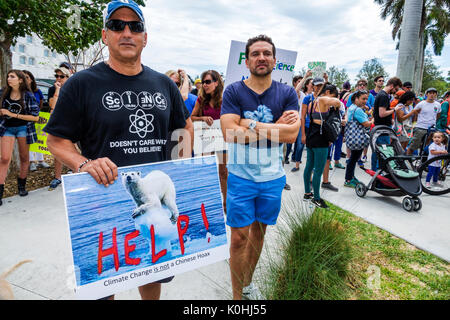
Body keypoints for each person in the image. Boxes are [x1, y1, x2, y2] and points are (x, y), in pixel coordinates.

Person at [44, 0, 193, 300]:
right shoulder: (81, 84)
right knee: (105, 280)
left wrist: (181, 165)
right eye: (117, 25)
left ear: (145, 38)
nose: (127, 32)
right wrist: (84, 163)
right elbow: (56, 140)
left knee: (153, 268)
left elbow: (184, 127)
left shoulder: (164, 84)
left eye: (135, 26)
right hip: (102, 197)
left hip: (154, 194)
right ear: (105, 34)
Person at [220, 34, 300, 300]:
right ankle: (236, 298)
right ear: (247, 60)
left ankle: (247, 284)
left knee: (258, 234)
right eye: (255, 53)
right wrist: (275, 126)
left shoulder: (287, 92)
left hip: (272, 177)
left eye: (266, 53)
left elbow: (291, 136)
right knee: (238, 239)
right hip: (241, 177)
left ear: (275, 60)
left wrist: (251, 124)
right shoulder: (233, 91)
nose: (261, 58)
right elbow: (229, 134)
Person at [0, 70, 40, 205]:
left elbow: (35, 117)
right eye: (8, 76)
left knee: (24, 158)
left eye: (12, 77)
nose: (9, 79)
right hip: (7, 128)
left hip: (24, 129)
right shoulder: (3, 93)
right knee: (5, 158)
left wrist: (13, 114)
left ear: (20, 80)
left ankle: (22, 186)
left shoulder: (28, 95)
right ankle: (0, 192)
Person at [190, 69, 228, 210]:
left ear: (216, 83)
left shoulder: (225, 99)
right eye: (203, 82)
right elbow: (192, 117)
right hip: (206, 138)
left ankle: (225, 201)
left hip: (223, 138)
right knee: (209, 170)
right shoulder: (201, 99)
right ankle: (211, 201)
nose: (204, 85)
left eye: (207, 82)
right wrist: (203, 118)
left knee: (223, 171)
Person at [302, 83, 341, 208]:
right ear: (328, 92)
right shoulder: (324, 99)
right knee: (318, 170)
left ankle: (307, 193)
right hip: (320, 138)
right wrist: (336, 102)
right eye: (333, 94)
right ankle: (317, 198)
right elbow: (337, 102)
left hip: (311, 135)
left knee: (309, 166)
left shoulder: (312, 102)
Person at [47, 66, 71, 190]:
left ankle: (77, 173)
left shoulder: (74, 88)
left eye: (62, 76)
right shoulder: (53, 89)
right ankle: (57, 177)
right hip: (60, 123)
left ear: (68, 77)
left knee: (79, 150)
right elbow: (52, 106)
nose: (59, 78)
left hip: (74, 121)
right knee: (59, 152)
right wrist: (57, 90)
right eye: (56, 76)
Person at [371, 77, 403, 170]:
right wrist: (394, 110)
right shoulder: (384, 96)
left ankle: (376, 171)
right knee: (383, 151)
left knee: (377, 151)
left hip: (381, 127)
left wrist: (390, 118)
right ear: (392, 86)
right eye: (396, 89)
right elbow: (382, 113)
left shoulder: (383, 94)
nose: (396, 92)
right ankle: (378, 172)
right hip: (382, 129)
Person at [22, 69, 51, 171]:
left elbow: (41, 103)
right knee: (29, 141)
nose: (25, 79)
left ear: (31, 79)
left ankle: (40, 160)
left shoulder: (37, 91)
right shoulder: (20, 92)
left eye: (27, 77)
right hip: (25, 119)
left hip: (38, 118)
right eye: (23, 77)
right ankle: (31, 162)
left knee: (39, 139)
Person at [344, 90, 373, 188]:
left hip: (352, 137)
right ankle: (348, 179)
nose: (365, 101)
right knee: (353, 159)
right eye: (363, 99)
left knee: (353, 158)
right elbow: (366, 123)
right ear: (356, 99)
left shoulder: (352, 107)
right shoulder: (358, 110)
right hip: (358, 138)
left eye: (366, 99)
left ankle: (350, 177)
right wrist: (373, 119)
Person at [406, 88, 441, 156]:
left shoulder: (438, 104)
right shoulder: (421, 104)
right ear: (426, 94)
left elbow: (438, 115)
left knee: (428, 147)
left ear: (436, 95)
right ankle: (407, 161)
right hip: (420, 128)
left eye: (434, 93)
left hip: (432, 129)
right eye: (430, 93)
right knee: (413, 146)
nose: (432, 95)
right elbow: (414, 113)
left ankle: (424, 163)